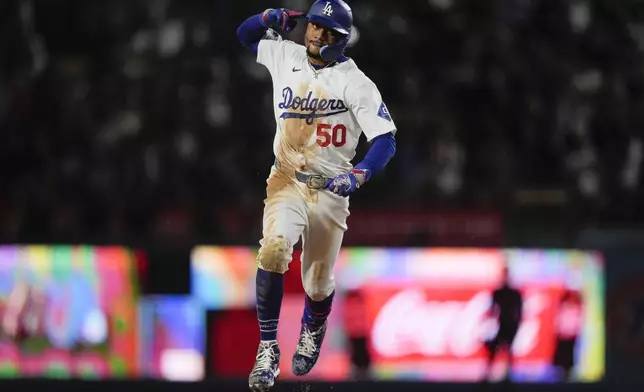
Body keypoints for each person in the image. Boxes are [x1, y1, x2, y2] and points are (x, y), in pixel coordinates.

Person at [236, 1, 397, 390]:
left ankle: (314, 324)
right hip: (287, 178)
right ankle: (268, 347)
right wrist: (265, 19)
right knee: (274, 250)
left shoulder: (354, 81)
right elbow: (244, 37)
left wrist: (359, 175)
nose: (317, 35)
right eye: (314, 25)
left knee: (319, 284)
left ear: (342, 39)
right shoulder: (285, 54)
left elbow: (386, 140)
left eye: (328, 31)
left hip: (329, 188)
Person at [484, 265, 523, 382]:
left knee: (509, 351)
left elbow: (520, 311)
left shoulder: (515, 293)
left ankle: (508, 376)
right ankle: (488, 375)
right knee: (494, 350)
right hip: (500, 325)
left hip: (511, 325)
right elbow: (492, 311)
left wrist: (516, 324)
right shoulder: (498, 293)